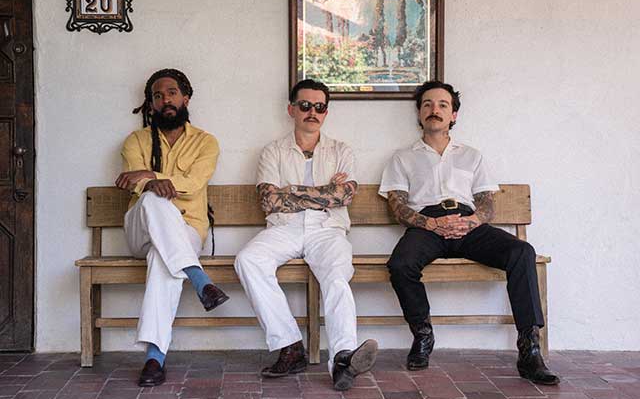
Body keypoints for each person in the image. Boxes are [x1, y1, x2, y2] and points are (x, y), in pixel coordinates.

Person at [379, 80, 559, 385]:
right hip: (426, 226)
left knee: (522, 252)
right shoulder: (402, 157)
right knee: (400, 264)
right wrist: (431, 224)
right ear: (419, 113)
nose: (434, 110)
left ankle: (529, 349)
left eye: (442, 105)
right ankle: (422, 335)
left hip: (468, 224)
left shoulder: (472, 156)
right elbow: (396, 206)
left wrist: (471, 222)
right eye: (427, 104)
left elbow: (487, 204)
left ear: (453, 115)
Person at [234, 79, 377, 391]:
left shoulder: (341, 150)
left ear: (326, 112)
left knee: (336, 276)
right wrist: (325, 192)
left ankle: (343, 358)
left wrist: (292, 190)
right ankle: (289, 346)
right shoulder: (273, 151)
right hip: (284, 227)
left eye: (319, 107)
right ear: (292, 109)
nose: (313, 112)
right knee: (248, 260)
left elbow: (344, 197)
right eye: (305, 105)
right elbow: (270, 201)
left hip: (327, 229)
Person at [115, 68, 229, 387]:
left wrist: (150, 176)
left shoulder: (206, 142)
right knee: (152, 199)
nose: (165, 100)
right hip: (140, 231)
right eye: (158, 96)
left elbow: (193, 183)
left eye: (172, 93)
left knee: (161, 259)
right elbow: (132, 183)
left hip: (188, 231)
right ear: (151, 104)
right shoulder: (135, 141)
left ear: (185, 98)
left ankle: (154, 358)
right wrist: (151, 184)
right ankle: (199, 279)